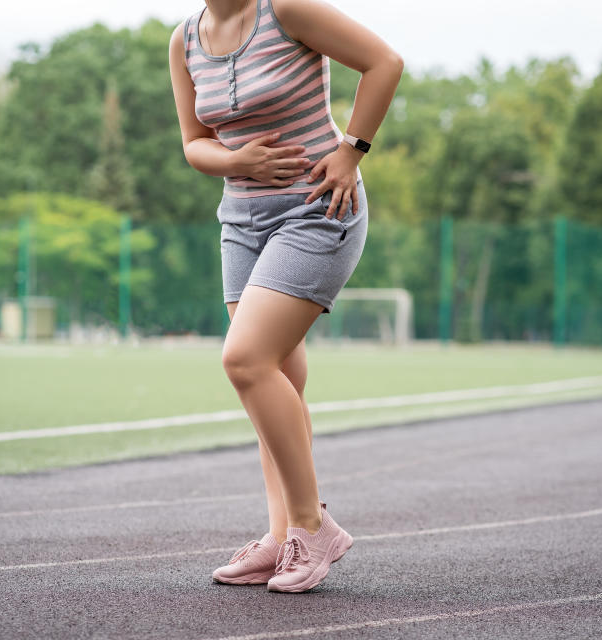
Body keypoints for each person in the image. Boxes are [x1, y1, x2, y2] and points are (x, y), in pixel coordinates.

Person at [168, 0, 403, 593]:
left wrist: (352, 150)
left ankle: (312, 526)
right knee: (276, 383)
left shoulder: (287, 10)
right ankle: (282, 538)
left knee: (244, 361)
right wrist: (234, 160)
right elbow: (194, 143)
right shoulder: (185, 41)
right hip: (240, 222)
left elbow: (384, 63)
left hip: (317, 211)